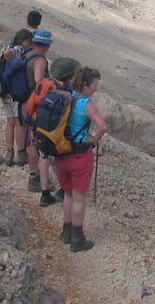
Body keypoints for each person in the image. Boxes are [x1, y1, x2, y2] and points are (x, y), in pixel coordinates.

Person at [56, 67, 107, 252]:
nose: (96, 89)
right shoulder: (86, 104)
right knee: (79, 198)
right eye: (94, 85)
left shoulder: (66, 97)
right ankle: (78, 239)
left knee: (68, 193)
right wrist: (93, 139)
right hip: (79, 155)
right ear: (86, 85)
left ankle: (66, 232)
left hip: (61, 153)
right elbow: (102, 126)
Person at [25, 56, 81, 206]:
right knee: (62, 159)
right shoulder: (68, 91)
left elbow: (29, 108)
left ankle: (44, 194)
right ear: (70, 76)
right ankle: (63, 190)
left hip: (41, 128)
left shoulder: (42, 84)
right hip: (58, 132)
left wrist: (33, 125)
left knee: (44, 158)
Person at [22, 30, 52, 193]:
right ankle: (35, 180)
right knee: (35, 142)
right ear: (47, 45)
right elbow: (38, 81)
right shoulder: (39, 59)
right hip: (33, 104)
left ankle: (35, 176)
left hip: (24, 102)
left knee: (30, 140)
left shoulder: (28, 54)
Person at [0, 29, 32, 167]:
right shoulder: (18, 48)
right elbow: (7, 55)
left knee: (9, 122)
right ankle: (20, 154)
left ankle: (8, 154)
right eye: (29, 42)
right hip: (15, 91)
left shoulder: (8, 45)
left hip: (5, 90)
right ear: (24, 40)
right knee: (19, 122)